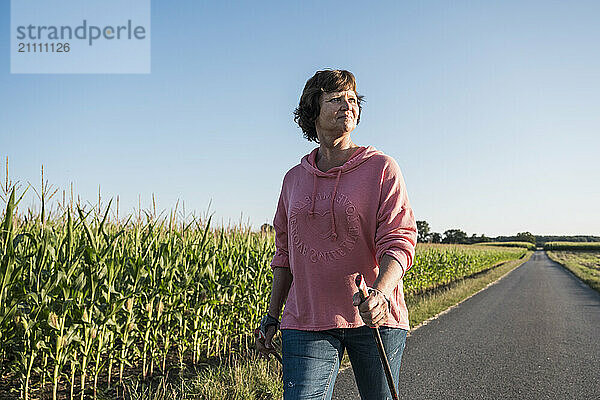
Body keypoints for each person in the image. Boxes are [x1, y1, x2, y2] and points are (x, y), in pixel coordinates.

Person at [256, 69, 417, 400]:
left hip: (373, 317)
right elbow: (284, 254)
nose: (349, 105)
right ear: (313, 110)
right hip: (306, 318)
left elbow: (399, 239)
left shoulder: (381, 168)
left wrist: (382, 294)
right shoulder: (293, 180)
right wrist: (271, 316)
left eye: (354, 99)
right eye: (337, 98)